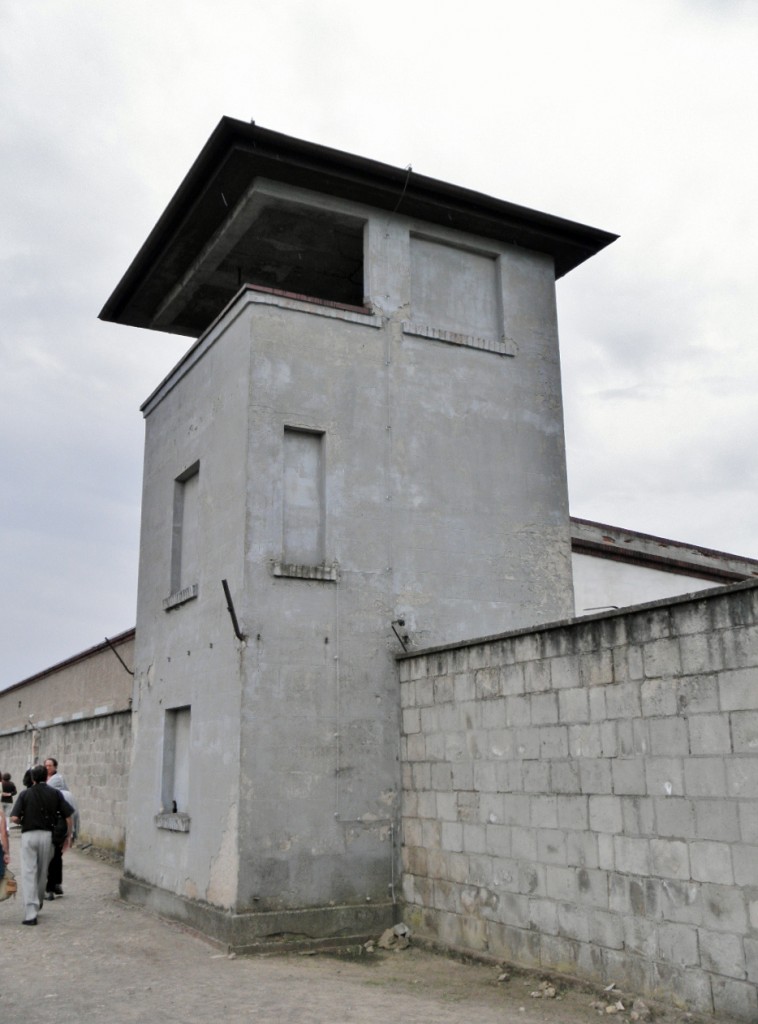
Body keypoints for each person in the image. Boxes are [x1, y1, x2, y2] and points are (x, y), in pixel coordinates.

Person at [10, 764, 73, 925]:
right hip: (47, 836)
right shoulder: (55, 793)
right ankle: (38, 900)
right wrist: (68, 835)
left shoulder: (25, 794)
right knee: (42, 872)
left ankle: (31, 912)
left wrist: (23, 818)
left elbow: (14, 818)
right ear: (46, 777)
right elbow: (68, 815)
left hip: (29, 835)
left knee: (28, 872)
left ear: (32, 778)